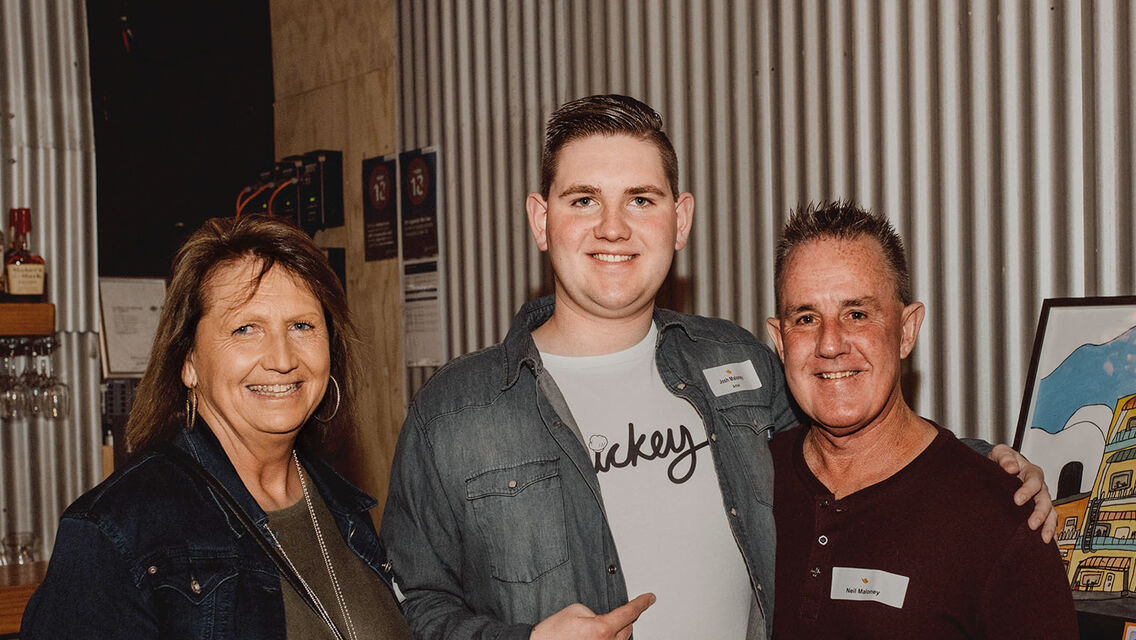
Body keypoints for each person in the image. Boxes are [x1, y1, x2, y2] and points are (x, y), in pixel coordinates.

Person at [380, 95, 1055, 640]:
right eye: (583, 199)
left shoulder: (737, 366)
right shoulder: (454, 413)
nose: (613, 227)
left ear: (680, 220)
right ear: (540, 219)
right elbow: (405, 607)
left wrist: (988, 468)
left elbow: (846, 435)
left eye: (641, 199)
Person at [22, 215, 412, 640]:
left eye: (302, 326)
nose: (282, 359)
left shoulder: (344, 509)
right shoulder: (114, 531)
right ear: (188, 361)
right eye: (246, 329)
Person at [765, 202, 1077, 638]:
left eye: (857, 314)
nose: (830, 344)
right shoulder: (749, 485)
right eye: (806, 318)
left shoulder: (1001, 518)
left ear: (907, 330)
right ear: (780, 341)